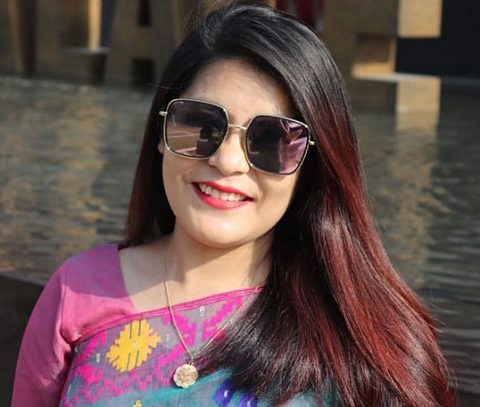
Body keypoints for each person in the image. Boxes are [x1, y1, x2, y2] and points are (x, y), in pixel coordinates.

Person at [12, 2, 455, 406]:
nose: (226, 161)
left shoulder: (359, 336)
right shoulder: (77, 291)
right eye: (201, 124)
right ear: (162, 132)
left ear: (310, 167)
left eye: (271, 140)